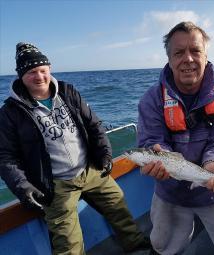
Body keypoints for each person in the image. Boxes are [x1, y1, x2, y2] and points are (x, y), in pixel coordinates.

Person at [0, 42, 151, 254]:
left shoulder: (68, 92)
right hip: (55, 184)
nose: (39, 76)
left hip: (89, 169)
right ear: (21, 76)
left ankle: (135, 243)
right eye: (32, 72)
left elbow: (94, 125)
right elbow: (6, 157)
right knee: (67, 242)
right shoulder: (9, 112)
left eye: (43, 70)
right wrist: (23, 188)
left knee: (118, 205)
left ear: (49, 69)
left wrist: (105, 154)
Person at [137, 22, 214, 255]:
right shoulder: (151, 100)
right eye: (179, 53)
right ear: (169, 59)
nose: (188, 59)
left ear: (205, 54)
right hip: (169, 191)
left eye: (195, 50)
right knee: (163, 247)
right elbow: (151, 139)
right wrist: (154, 154)